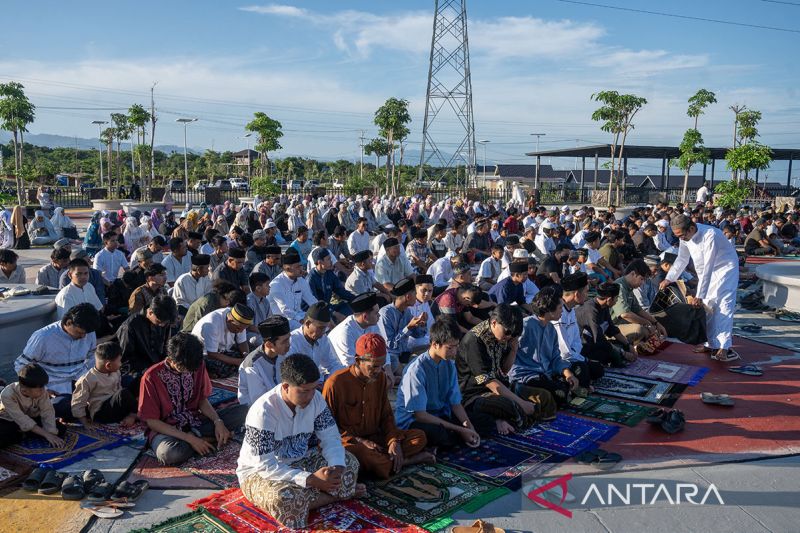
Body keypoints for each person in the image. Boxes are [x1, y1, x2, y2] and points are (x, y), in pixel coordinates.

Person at [237, 354, 362, 530]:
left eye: (313, 389)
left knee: (350, 464)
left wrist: (336, 468)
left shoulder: (316, 399)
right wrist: (312, 480)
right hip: (260, 472)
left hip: (302, 461)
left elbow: (331, 437)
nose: (311, 396)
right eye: (304, 391)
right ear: (286, 386)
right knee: (283, 499)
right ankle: (337, 495)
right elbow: (265, 465)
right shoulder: (263, 412)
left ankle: (310, 499)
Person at [323, 334, 432, 480]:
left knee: (419, 437)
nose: (379, 370)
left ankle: (384, 463)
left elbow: (386, 415)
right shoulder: (335, 383)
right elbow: (326, 428)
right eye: (373, 366)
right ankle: (405, 461)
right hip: (350, 443)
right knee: (364, 455)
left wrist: (393, 441)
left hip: (377, 439)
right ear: (357, 360)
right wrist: (361, 441)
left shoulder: (379, 378)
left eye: (381, 366)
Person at [138, 332, 247, 466]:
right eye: (184, 369)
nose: (188, 373)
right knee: (169, 454)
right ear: (171, 360)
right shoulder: (151, 377)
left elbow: (202, 400)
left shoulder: (197, 365)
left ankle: (206, 437)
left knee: (245, 412)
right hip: (168, 430)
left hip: (196, 423)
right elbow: (152, 422)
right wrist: (190, 439)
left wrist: (218, 422)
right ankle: (207, 439)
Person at [456, 304, 556, 437]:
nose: (509, 336)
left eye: (513, 334)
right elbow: (489, 382)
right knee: (512, 406)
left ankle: (508, 418)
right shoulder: (474, 340)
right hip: (475, 394)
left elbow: (504, 369)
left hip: (502, 386)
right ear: (494, 322)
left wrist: (513, 349)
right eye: (507, 332)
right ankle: (503, 418)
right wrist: (521, 403)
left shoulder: (505, 336)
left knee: (544, 397)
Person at [660, 214, 740, 361]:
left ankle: (724, 346)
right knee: (708, 306)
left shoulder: (711, 235)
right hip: (705, 273)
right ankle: (710, 343)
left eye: (682, 235)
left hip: (725, 269)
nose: (681, 238)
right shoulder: (685, 237)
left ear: (691, 228)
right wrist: (669, 278)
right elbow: (682, 259)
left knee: (723, 306)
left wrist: (700, 294)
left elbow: (708, 266)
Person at [395, 319, 481, 449]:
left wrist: (469, 427)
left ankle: (458, 436)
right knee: (438, 434)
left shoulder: (449, 364)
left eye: (456, 347)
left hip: (439, 415)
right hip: (416, 422)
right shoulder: (416, 370)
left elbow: (455, 403)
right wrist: (460, 429)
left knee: (482, 421)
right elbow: (420, 415)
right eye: (450, 348)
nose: (454, 352)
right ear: (435, 344)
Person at [15, 303, 101, 419]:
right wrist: (41, 390)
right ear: (69, 322)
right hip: (54, 389)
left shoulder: (88, 333)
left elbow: (91, 356)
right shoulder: (43, 337)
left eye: (85, 333)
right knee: (64, 405)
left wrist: (88, 377)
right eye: (80, 333)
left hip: (80, 383)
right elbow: (21, 365)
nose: (83, 337)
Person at [509, 286, 579, 407]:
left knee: (577, 374)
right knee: (560, 394)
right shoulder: (525, 326)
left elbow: (556, 358)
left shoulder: (551, 329)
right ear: (550, 311)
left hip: (545, 373)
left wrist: (568, 373)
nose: (562, 311)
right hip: (526, 375)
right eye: (559, 308)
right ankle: (519, 390)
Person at [551, 272, 604, 390]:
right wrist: (583, 360)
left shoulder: (571, 309)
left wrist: (582, 358)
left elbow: (576, 340)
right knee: (584, 371)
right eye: (585, 291)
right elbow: (564, 351)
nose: (587, 295)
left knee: (598, 368)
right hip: (560, 359)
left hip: (574, 355)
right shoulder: (558, 313)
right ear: (576, 294)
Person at [117, 295, 178, 390]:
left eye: (164, 323)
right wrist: (150, 370)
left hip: (158, 365)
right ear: (150, 312)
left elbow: (166, 348)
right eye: (159, 322)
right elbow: (125, 359)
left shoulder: (164, 322)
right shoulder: (130, 326)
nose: (162, 325)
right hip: (137, 369)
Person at [71, 341, 137, 426]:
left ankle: (136, 411)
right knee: (123, 393)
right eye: (119, 361)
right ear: (108, 365)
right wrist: (84, 422)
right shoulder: (87, 379)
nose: (121, 364)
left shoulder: (115, 371)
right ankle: (136, 414)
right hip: (102, 412)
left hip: (116, 405)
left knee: (136, 381)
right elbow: (78, 403)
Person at [0, 363, 64, 449]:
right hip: (11, 420)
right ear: (24, 391)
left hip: (31, 417)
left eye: (43, 387)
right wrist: (46, 435)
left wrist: (51, 434)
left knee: (60, 429)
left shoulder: (42, 391)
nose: (43, 390)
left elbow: (47, 412)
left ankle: (25, 432)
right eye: (40, 389)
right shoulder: (7, 395)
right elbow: (21, 419)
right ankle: (24, 433)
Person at [576, 282, 636, 367]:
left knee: (624, 345)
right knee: (616, 355)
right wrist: (622, 353)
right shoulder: (591, 310)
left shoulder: (604, 307)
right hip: (586, 346)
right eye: (616, 298)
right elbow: (599, 339)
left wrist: (628, 345)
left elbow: (611, 329)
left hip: (598, 343)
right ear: (609, 299)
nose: (616, 301)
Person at [378, 277, 428, 374]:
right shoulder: (385, 313)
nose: (417, 297)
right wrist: (408, 327)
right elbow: (390, 345)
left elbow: (418, 335)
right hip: (390, 357)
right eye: (415, 294)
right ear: (408, 296)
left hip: (404, 353)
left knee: (431, 350)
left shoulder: (407, 311)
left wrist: (421, 324)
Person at [238, 316, 292, 406]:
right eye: (284, 341)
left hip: (280, 402)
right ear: (269, 344)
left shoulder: (282, 353)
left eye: (289, 339)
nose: (288, 344)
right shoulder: (252, 366)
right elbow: (260, 402)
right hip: (257, 410)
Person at [612, 259, 668, 346]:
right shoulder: (619, 286)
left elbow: (638, 310)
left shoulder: (628, 288)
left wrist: (656, 323)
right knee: (640, 330)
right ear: (633, 274)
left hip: (622, 323)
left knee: (650, 327)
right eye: (641, 279)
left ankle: (638, 342)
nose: (642, 283)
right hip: (611, 327)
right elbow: (625, 314)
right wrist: (647, 323)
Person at [192, 303, 254, 378]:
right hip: (205, 355)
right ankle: (208, 373)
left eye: (243, 329)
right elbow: (211, 354)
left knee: (253, 353)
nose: (241, 331)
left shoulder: (239, 323)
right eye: (238, 329)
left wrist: (246, 356)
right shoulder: (212, 323)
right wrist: (238, 362)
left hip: (224, 351)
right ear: (229, 320)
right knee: (216, 366)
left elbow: (242, 342)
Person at [289, 303, 344, 384]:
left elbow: (332, 364)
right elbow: (295, 374)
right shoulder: (292, 341)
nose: (322, 332)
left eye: (325, 328)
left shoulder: (322, 337)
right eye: (320, 328)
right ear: (307, 323)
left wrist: (329, 380)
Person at [328, 292, 384, 369]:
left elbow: (382, 348)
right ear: (365, 317)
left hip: (366, 366)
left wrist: (388, 370)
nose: (379, 315)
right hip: (340, 372)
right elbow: (349, 365)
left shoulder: (372, 323)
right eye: (376, 313)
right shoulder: (345, 332)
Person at [269, 248, 317, 330]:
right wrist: (302, 320)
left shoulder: (301, 280)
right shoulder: (276, 284)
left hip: (299, 315)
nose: (301, 269)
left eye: (301, 265)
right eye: (298, 267)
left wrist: (321, 310)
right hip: (281, 320)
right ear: (288, 269)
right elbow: (285, 310)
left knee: (323, 323)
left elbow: (311, 300)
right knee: (311, 328)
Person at [308, 247, 356, 321]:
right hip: (315, 313)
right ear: (320, 262)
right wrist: (333, 313)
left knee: (352, 308)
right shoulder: (311, 278)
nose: (331, 262)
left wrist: (357, 299)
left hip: (329, 307)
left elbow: (341, 291)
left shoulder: (329, 273)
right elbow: (315, 304)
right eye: (328, 259)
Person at [245, 271, 272, 345]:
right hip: (251, 334)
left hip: (263, 332)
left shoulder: (265, 301)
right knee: (262, 342)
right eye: (267, 285)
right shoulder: (249, 301)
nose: (269, 287)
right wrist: (266, 334)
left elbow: (270, 320)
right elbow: (250, 326)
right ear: (258, 288)